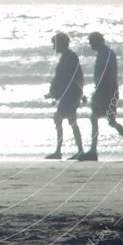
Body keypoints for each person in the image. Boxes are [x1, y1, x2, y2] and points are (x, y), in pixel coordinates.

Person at [78, 32, 123, 161]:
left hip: (106, 90)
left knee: (96, 118)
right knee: (109, 120)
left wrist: (99, 90)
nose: (91, 45)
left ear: (98, 41)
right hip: (109, 89)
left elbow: (105, 73)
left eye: (92, 42)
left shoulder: (105, 54)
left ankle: (94, 150)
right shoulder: (106, 53)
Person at [44, 32, 85, 160]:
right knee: (69, 121)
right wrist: (54, 93)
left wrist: (79, 94)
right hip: (70, 94)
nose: (54, 47)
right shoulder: (68, 57)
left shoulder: (70, 57)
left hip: (71, 95)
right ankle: (77, 150)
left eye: (55, 44)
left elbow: (70, 78)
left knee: (61, 118)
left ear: (61, 44)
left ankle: (62, 151)